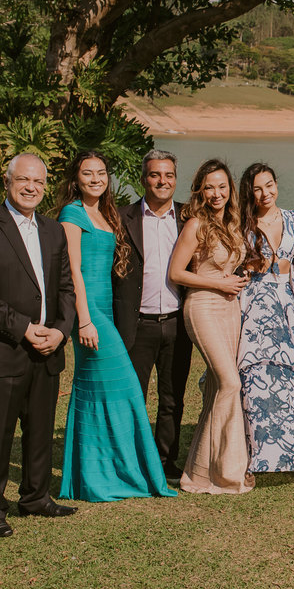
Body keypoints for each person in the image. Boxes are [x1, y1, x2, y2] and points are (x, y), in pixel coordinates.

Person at [0, 153, 77, 536]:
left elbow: (66, 288)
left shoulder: (53, 230)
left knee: (40, 428)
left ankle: (36, 497)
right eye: (23, 180)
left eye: (38, 182)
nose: (31, 187)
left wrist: (60, 331)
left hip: (48, 347)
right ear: (7, 182)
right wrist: (24, 328)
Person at [56, 151, 176, 502]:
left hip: (107, 309)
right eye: (87, 173)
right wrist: (85, 320)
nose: (95, 179)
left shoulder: (107, 213)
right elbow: (73, 270)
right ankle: (105, 475)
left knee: (99, 390)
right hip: (91, 313)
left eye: (101, 173)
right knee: (122, 387)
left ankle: (100, 472)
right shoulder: (72, 214)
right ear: (75, 178)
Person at [169, 159, 253, 494]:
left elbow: (226, 266)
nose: (216, 193)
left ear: (230, 188)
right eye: (209, 187)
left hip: (229, 308)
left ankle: (202, 471)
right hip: (202, 306)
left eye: (222, 186)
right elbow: (177, 273)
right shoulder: (195, 225)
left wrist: (237, 279)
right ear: (200, 191)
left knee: (216, 389)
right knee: (230, 384)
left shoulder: (232, 222)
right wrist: (219, 284)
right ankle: (214, 472)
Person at [237, 163, 294, 474]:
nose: (265, 193)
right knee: (257, 376)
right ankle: (260, 452)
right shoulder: (241, 224)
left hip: (286, 305)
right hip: (254, 305)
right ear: (250, 192)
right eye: (258, 188)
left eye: (270, 184)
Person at [114, 150, 193, 480]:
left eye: (169, 175)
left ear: (176, 178)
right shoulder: (121, 217)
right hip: (137, 324)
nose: (163, 181)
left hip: (177, 323)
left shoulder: (188, 217)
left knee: (172, 399)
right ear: (143, 178)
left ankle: (165, 462)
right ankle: (131, 464)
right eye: (155, 175)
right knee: (133, 399)